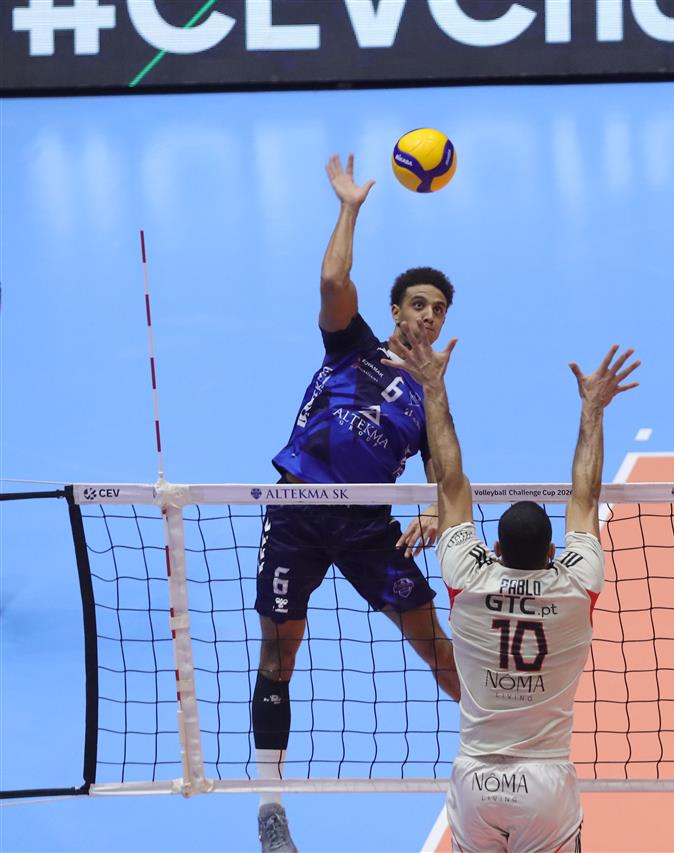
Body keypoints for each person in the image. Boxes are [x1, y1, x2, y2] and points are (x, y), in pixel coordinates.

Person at [253, 155, 461, 853]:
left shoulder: (430, 395)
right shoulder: (352, 346)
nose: (428, 315)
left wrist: (437, 509)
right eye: (418, 304)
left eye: (438, 309)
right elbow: (332, 283)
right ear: (396, 312)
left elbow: (450, 474)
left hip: (370, 530)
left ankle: (505, 751)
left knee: (435, 644)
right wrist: (349, 207)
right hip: (298, 513)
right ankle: (271, 806)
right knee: (279, 652)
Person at [387, 321, 638, 852]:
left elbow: (450, 482)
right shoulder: (576, 587)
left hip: (476, 781)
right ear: (552, 553)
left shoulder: (468, 578)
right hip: (544, 784)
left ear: (496, 549)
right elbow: (586, 499)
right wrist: (592, 410)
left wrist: (434, 388)